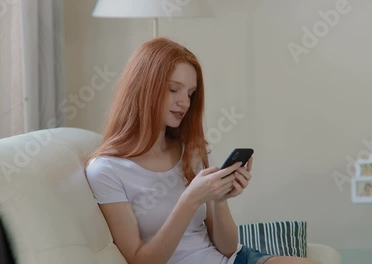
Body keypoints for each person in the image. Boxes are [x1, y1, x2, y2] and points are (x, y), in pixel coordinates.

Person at [84, 38, 318, 264]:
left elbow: (227, 247)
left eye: (190, 93)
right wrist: (190, 199)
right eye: (174, 89)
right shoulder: (106, 170)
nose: (184, 103)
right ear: (144, 88)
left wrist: (219, 199)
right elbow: (140, 260)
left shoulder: (192, 151)